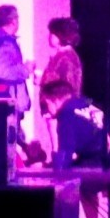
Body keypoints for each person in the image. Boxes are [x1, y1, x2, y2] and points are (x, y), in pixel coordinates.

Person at [42, 79, 110, 218]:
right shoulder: (86, 105)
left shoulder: (66, 114)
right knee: (83, 176)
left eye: (46, 104)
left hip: (109, 162)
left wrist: (54, 173)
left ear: (55, 100)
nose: (46, 109)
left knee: (73, 180)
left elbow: (65, 154)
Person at [0, 4, 35, 145]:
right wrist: (25, 69)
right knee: (6, 143)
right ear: (13, 21)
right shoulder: (4, 43)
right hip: (6, 101)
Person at [38, 17, 84, 159]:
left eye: (52, 34)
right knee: (55, 139)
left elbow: (69, 84)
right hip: (53, 107)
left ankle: (60, 164)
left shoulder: (67, 57)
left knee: (59, 141)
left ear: (61, 36)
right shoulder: (60, 56)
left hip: (60, 107)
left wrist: (44, 80)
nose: (49, 37)